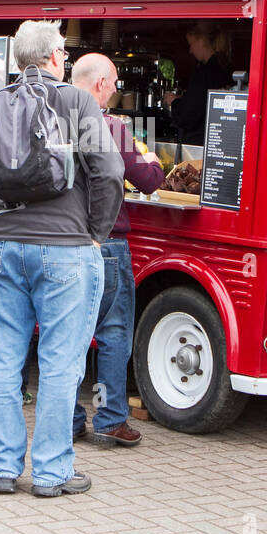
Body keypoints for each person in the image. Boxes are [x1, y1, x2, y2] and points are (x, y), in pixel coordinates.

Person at [0, 19, 124, 497]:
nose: (65, 61)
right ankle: (51, 473)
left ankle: (3, 469)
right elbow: (109, 172)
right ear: (53, 59)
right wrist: (95, 233)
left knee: (3, 359)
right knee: (60, 363)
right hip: (66, 251)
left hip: (0, 251)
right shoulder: (75, 101)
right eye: (63, 55)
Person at [69, 53, 165, 446]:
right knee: (113, 333)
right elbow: (145, 180)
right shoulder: (111, 127)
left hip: (63, 240)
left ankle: (70, 417)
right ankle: (109, 420)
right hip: (106, 241)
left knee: (69, 333)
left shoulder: (52, 121)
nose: (115, 89)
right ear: (100, 84)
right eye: (113, 83)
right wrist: (153, 160)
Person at [163, 20, 234, 146]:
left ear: (201, 41)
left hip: (198, 142)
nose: (190, 51)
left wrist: (173, 101)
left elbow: (189, 114)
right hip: (219, 140)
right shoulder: (226, 69)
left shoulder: (204, 73)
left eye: (191, 44)